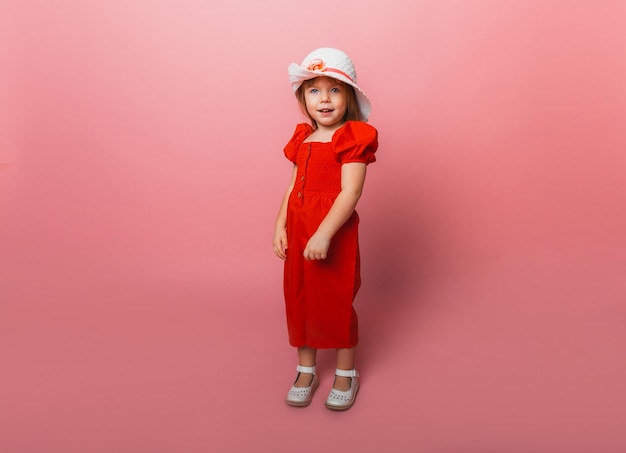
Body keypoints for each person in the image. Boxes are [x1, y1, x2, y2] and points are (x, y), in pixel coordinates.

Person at [273, 47, 378, 410]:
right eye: (315, 90)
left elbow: (351, 191)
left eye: (334, 89)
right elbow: (292, 186)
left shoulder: (353, 137)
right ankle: (307, 369)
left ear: (348, 96)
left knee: (335, 301)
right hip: (299, 229)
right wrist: (280, 225)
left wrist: (324, 234)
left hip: (332, 234)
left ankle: (346, 373)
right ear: (303, 97)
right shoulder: (303, 137)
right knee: (300, 298)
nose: (325, 98)